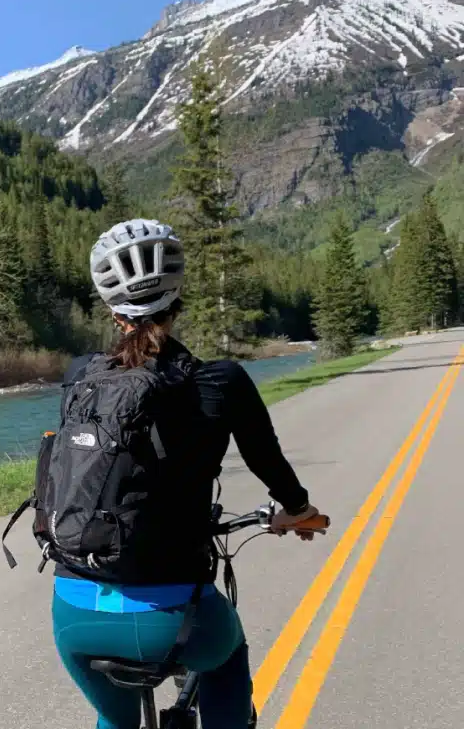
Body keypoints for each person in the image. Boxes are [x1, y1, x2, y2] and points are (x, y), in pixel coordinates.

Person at [51, 219, 323, 729]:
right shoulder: (222, 381)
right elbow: (273, 470)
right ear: (178, 298)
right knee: (227, 656)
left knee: (115, 721)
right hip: (179, 620)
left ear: (113, 310)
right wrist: (299, 513)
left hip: (75, 612)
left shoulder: (80, 374)